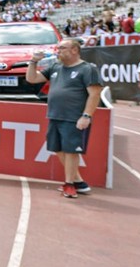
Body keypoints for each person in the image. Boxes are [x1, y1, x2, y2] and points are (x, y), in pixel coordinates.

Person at [26, 38, 102, 199]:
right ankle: (79, 182)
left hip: (73, 117)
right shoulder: (55, 67)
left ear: (74, 50)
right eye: (58, 48)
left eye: (62, 48)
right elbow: (32, 79)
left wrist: (86, 115)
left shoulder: (88, 69)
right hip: (54, 115)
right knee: (57, 149)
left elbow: (94, 94)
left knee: (71, 151)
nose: (58, 51)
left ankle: (70, 184)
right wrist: (33, 62)